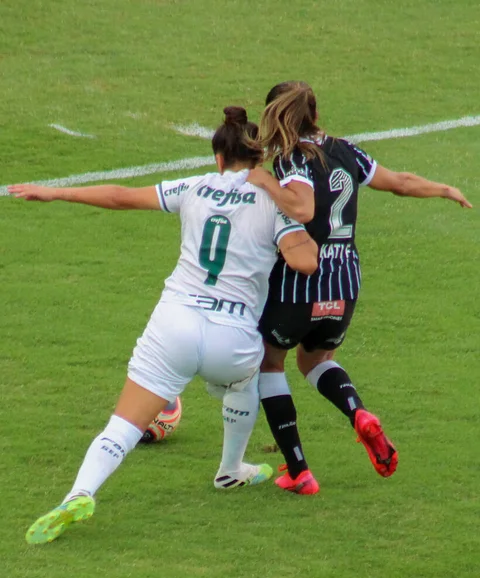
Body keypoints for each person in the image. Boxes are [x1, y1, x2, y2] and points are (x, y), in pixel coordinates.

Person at [9, 106, 319, 544]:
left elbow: (120, 196)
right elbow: (304, 263)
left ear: (218, 157)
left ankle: (78, 493)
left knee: (123, 426)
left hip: (174, 322)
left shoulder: (192, 186)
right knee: (250, 377)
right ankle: (231, 469)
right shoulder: (274, 202)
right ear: (259, 157)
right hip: (232, 337)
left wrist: (54, 192)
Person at [247, 81, 472, 495]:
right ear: (315, 113)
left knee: (270, 363)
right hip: (345, 280)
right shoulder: (347, 150)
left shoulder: (292, 160)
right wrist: (443, 189)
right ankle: (360, 415)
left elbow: (300, 205)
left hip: (302, 281)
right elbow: (399, 182)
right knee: (315, 360)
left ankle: (299, 471)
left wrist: (264, 181)